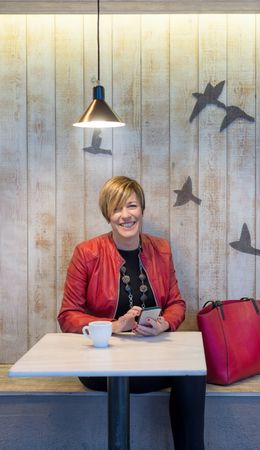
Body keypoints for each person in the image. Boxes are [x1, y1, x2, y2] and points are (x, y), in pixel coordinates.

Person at [58, 176, 205, 450]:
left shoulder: (161, 249)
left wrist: (163, 324)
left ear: (142, 209)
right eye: (116, 209)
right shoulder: (87, 253)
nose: (125, 215)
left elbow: (177, 303)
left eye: (132, 206)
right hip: (101, 365)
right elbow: (67, 315)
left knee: (193, 372)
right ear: (108, 215)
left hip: (151, 359)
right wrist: (113, 326)